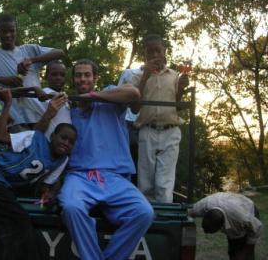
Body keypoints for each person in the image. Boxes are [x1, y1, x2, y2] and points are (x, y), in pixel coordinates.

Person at [58, 59, 154, 260]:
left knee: (144, 212)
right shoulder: (68, 109)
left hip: (114, 177)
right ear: (73, 79)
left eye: (87, 74)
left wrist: (92, 96)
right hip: (80, 176)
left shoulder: (110, 97)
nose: (82, 78)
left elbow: (134, 93)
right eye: (78, 75)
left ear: (95, 78)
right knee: (71, 207)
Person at [0, 88, 77, 260]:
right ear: (53, 136)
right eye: (63, 138)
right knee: (20, 221)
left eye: (71, 142)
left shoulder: (61, 160)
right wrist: (8, 103)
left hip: (3, 187)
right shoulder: (34, 138)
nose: (66, 143)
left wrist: (48, 195)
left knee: (15, 224)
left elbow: (45, 185)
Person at [0, 13, 65, 132]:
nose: (8, 35)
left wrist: (32, 60)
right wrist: (4, 80)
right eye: (4, 31)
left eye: (11, 31)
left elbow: (60, 52)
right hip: (10, 119)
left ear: (16, 30)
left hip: (37, 115)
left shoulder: (29, 49)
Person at [130, 35, 189, 203]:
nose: (155, 54)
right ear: (145, 55)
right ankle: (147, 220)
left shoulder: (174, 76)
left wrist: (182, 89)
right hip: (147, 130)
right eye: (151, 51)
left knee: (164, 184)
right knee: (146, 182)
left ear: (165, 52)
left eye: (158, 50)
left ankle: (165, 220)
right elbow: (134, 108)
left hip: (171, 131)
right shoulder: (137, 77)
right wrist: (145, 76)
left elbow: (177, 106)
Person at [189, 192, 263, 260]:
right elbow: (189, 212)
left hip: (249, 210)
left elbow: (257, 228)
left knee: (244, 253)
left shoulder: (240, 217)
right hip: (231, 206)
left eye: (208, 231)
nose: (205, 232)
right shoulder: (204, 205)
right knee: (233, 251)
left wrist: (247, 248)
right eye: (204, 228)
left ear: (220, 226)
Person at [21, 60, 71, 140]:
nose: (58, 77)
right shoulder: (40, 95)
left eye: (62, 75)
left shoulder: (66, 98)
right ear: (46, 76)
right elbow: (12, 92)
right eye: (54, 74)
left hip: (64, 147)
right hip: (46, 144)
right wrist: (33, 88)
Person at [117, 66, 143, 184]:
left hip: (148, 123)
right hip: (129, 121)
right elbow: (118, 92)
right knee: (131, 151)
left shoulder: (163, 76)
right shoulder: (129, 73)